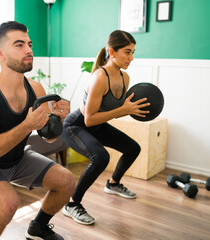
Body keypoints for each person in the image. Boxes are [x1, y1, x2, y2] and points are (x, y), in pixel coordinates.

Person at [0, 21, 75, 240]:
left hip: (17, 158)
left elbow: (49, 138)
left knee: (66, 180)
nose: (29, 50)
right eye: (19, 45)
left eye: (29, 44)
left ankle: (38, 228)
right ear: (0, 54)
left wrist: (57, 120)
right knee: (8, 204)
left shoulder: (36, 88)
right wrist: (26, 125)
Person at [61, 30, 150, 225]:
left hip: (96, 125)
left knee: (133, 148)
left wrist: (134, 109)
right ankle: (72, 204)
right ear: (112, 51)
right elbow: (89, 120)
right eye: (127, 52)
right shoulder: (100, 77)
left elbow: (116, 109)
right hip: (75, 127)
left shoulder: (125, 78)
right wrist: (123, 110)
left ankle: (114, 184)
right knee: (101, 157)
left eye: (133, 52)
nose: (132, 57)